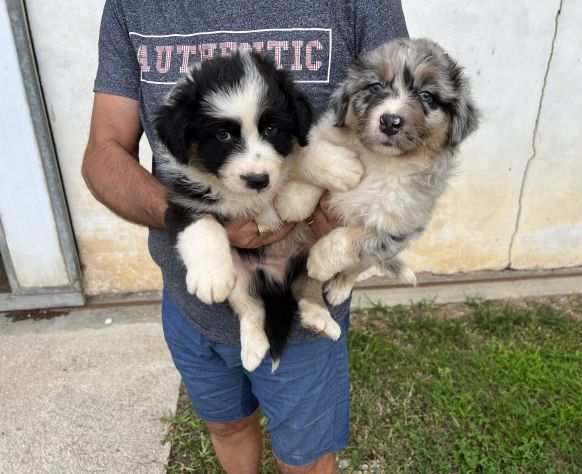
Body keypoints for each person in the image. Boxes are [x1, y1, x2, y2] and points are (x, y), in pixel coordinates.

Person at [82, 1, 408, 472]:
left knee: (305, 455)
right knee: (228, 426)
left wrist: (326, 221)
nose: (255, 165)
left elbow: (396, 129)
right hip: (193, 301)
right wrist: (192, 216)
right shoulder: (132, 8)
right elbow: (104, 150)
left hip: (298, 300)